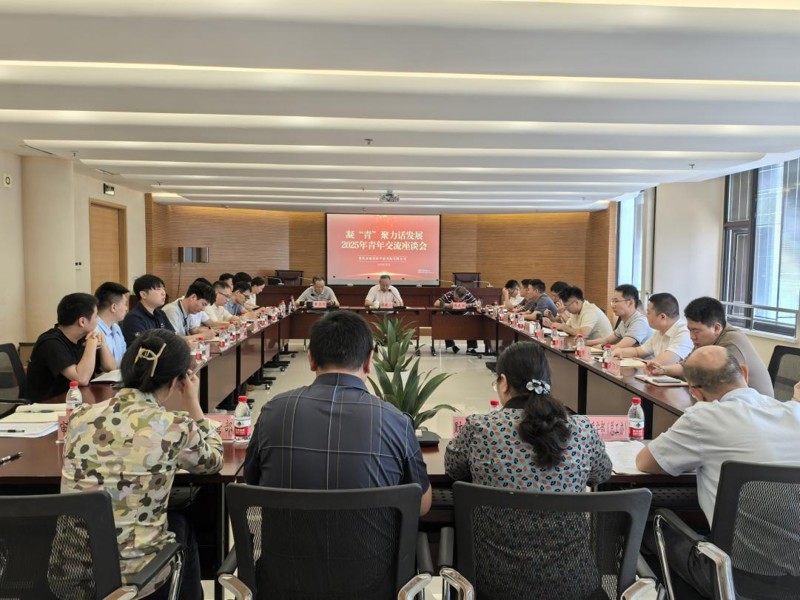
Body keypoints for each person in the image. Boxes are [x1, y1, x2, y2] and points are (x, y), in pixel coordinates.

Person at [60, 330, 224, 600]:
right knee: (182, 523)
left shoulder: (80, 417)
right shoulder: (174, 427)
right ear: (177, 380)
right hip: (137, 578)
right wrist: (193, 404)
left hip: (72, 576)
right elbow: (213, 461)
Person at [635, 346, 800, 597]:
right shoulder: (795, 412)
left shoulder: (704, 417)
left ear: (695, 392)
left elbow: (646, 462)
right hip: (794, 577)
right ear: (744, 372)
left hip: (734, 577)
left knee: (644, 526)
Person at [244, 311, 432, 516]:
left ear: (311, 359)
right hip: (371, 538)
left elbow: (252, 482)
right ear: (369, 361)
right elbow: (421, 505)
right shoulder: (396, 420)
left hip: (285, 538)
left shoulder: (273, 411)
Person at [446, 341, 611, 489]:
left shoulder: (479, 428)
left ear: (503, 383)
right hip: (566, 516)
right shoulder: (582, 430)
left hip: (494, 515)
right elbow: (602, 474)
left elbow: (453, 470)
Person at [647, 296, 774, 396]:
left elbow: (721, 383)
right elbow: (686, 366)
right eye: (690, 330)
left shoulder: (732, 342)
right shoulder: (704, 340)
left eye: (696, 331)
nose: (692, 336)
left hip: (755, 408)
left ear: (716, 328)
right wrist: (663, 370)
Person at [27, 293, 116, 402]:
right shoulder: (50, 342)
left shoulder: (82, 338)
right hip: (47, 406)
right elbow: (82, 379)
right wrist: (92, 345)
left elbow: (110, 367)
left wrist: (102, 343)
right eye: (95, 316)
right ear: (82, 321)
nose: (97, 321)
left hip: (73, 402)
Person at [611, 292, 694, 372]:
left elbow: (665, 360)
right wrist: (620, 351)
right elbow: (638, 351)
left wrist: (644, 362)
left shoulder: (684, 331)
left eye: (648, 312)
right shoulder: (660, 331)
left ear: (662, 317)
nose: (645, 315)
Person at [586, 284, 652, 348]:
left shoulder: (640, 321)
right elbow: (607, 340)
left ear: (630, 303)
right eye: (612, 301)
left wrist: (601, 347)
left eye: (616, 301)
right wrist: (585, 342)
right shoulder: (624, 322)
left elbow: (620, 347)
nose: (613, 305)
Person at [544, 285, 614, 340]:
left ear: (577, 302)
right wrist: (551, 324)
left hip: (603, 348)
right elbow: (569, 328)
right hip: (587, 345)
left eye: (566, 306)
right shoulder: (575, 311)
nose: (565, 309)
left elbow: (582, 333)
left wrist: (562, 326)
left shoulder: (590, 310)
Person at [121, 274, 174, 344]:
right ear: (143, 294)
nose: (163, 293)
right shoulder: (133, 318)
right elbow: (142, 346)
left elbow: (173, 338)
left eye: (163, 289)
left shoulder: (161, 314)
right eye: (158, 289)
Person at [434, 285, 479, 354]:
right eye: (456, 298)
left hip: (464, 316)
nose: (457, 301)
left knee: (472, 323)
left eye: (460, 300)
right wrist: (448, 305)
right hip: (450, 315)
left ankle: (470, 347)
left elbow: (477, 303)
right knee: (445, 321)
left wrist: (467, 305)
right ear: (454, 293)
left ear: (464, 296)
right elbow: (436, 303)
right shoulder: (449, 294)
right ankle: (450, 345)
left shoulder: (468, 294)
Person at [94, 281, 130, 368]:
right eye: (125, 304)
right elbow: (108, 367)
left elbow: (125, 359)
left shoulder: (116, 327)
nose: (126, 308)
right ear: (113, 307)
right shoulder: (94, 329)